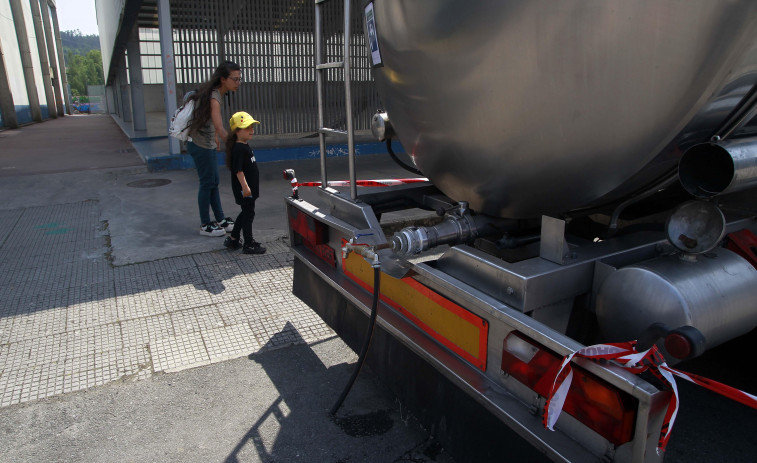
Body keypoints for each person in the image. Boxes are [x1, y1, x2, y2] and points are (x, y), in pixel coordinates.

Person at [185, 61, 240, 237]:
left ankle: (220, 219)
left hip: (206, 143)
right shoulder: (214, 97)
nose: (238, 82)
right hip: (199, 144)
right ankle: (205, 224)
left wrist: (215, 140)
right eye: (235, 79)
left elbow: (208, 122)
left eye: (240, 79)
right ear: (223, 79)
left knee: (213, 182)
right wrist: (234, 147)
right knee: (207, 183)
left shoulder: (215, 93)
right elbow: (220, 127)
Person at [223, 111, 266, 255]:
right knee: (249, 214)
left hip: (248, 189)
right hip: (244, 189)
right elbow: (238, 171)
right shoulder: (239, 149)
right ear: (236, 131)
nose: (251, 130)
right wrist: (245, 187)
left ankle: (234, 238)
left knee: (246, 212)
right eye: (247, 128)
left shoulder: (244, 145)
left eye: (252, 127)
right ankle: (248, 243)